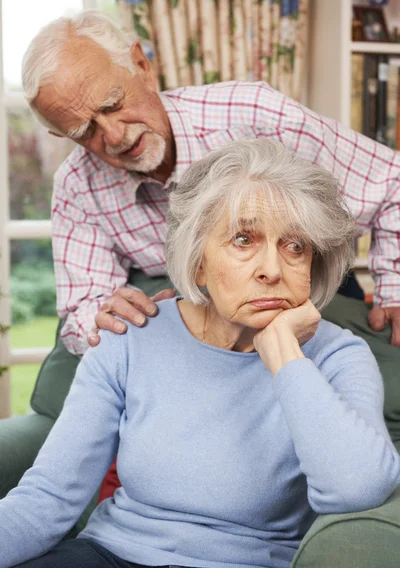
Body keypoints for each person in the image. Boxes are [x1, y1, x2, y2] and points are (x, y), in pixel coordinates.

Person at [1, 139, 399, 568]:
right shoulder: (131, 336)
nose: (272, 268)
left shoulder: (341, 356)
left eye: (295, 246)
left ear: (314, 265)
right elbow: (48, 497)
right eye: (244, 239)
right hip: (107, 554)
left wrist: (285, 355)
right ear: (198, 264)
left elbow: (358, 486)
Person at [21, 10, 400, 362]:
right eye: (85, 132)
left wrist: (394, 289)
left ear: (141, 65)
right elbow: (82, 309)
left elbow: (392, 181)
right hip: (198, 340)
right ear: (62, 135)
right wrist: (102, 318)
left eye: (113, 104)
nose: (115, 135)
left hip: (309, 305)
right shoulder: (77, 186)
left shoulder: (256, 113)